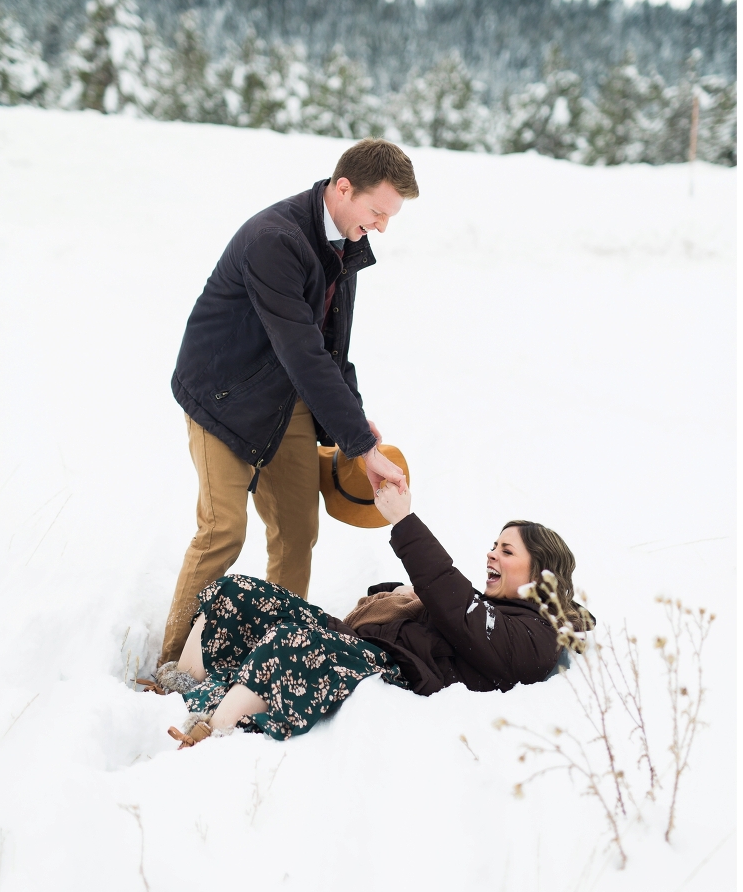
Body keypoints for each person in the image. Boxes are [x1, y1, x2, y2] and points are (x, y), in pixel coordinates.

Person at [159, 139, 419, 667]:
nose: (383, 227)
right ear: (342, 188)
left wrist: (354, 415)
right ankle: (169, 665)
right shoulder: (273, 239)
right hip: (223, 396)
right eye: (377, 212)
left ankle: (276, 655)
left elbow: (329, 349)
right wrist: (362, 445)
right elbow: (301, 350)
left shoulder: (344, 240)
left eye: (390, 217)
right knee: (223, 530)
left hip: (287, 394)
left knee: (299, 531)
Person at [151, 484, 590, 747]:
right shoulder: (485, 606)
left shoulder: (539, 635)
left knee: (293, 638)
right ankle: (178, 684)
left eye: (506, 550)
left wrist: (404, 520)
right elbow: (448, 603)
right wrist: (400, 594)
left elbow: (459, 609)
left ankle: (212, 732)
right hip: (360, 642)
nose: (491, 554)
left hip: (391, 669)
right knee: (238, 591)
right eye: (493, 545)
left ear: (540, 572)